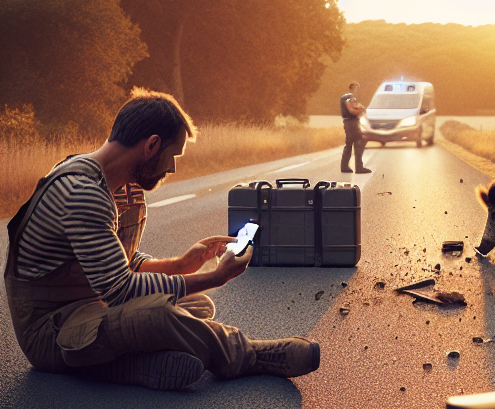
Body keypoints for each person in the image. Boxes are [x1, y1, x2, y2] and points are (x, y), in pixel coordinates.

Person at [4, 90, 320, 391]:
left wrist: (182, 265)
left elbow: (121, 262)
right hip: (50, 331)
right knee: (161, 315)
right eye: (173, 155)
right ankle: (249, 355)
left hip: (91, 308)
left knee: (196, 305)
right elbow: (120, 290)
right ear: (152, 145)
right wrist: (213, 277)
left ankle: (126, 366)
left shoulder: (118, 185)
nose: (172, 167)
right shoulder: (81, 192)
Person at [339, 81, 371, 174]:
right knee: (359, 141)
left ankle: (344, 166)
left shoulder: (349, 97)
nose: (358, 90)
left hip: (348, 122)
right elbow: (352, 109)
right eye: (357, 88)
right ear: (353, 88)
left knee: (349, 144)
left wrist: (359, 108)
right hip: (351, 122)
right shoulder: (349, 97)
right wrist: (360, 110)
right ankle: (359, 167)